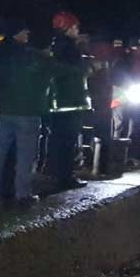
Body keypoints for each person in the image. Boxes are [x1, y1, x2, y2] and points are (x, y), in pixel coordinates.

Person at [0, 22, 56, 206]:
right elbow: (52, 83)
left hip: (5, 112)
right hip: (28, 114)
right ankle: (23, 195)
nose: (27, 32)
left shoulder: (7, 56)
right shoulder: (42, 61)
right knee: (25, 156)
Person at [47, 12, 90, 190]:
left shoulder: (57, 46)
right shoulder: (68, 48)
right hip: (69, 103)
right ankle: (65, 178)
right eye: (75, 27)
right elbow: (75, 72)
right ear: (67, 28)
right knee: (66, 142)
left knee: (59, 141)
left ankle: (59, 175)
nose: (77, 30)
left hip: (62, 104)